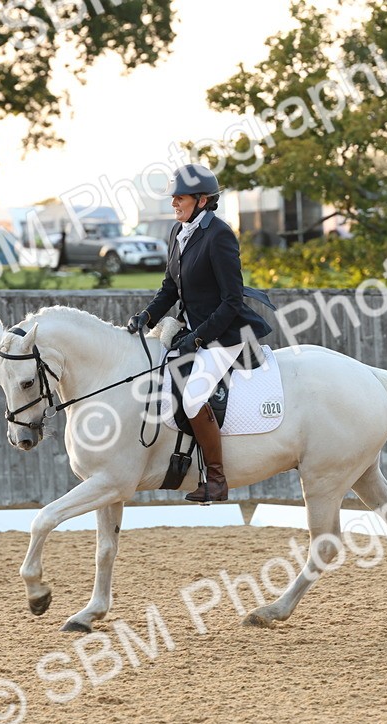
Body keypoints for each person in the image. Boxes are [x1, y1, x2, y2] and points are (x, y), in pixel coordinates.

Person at [126, 164, 272, 502]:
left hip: (227, 333)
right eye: (174, 197)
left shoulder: (219, 235)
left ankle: (218, 480)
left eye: (180, 197)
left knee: (193, 396)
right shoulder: (178, 234)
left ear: (202, 200)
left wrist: (199, 337)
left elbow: (232, 300)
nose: (174, 202)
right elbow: (169, 289)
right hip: (191, 329)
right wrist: (147, 316)